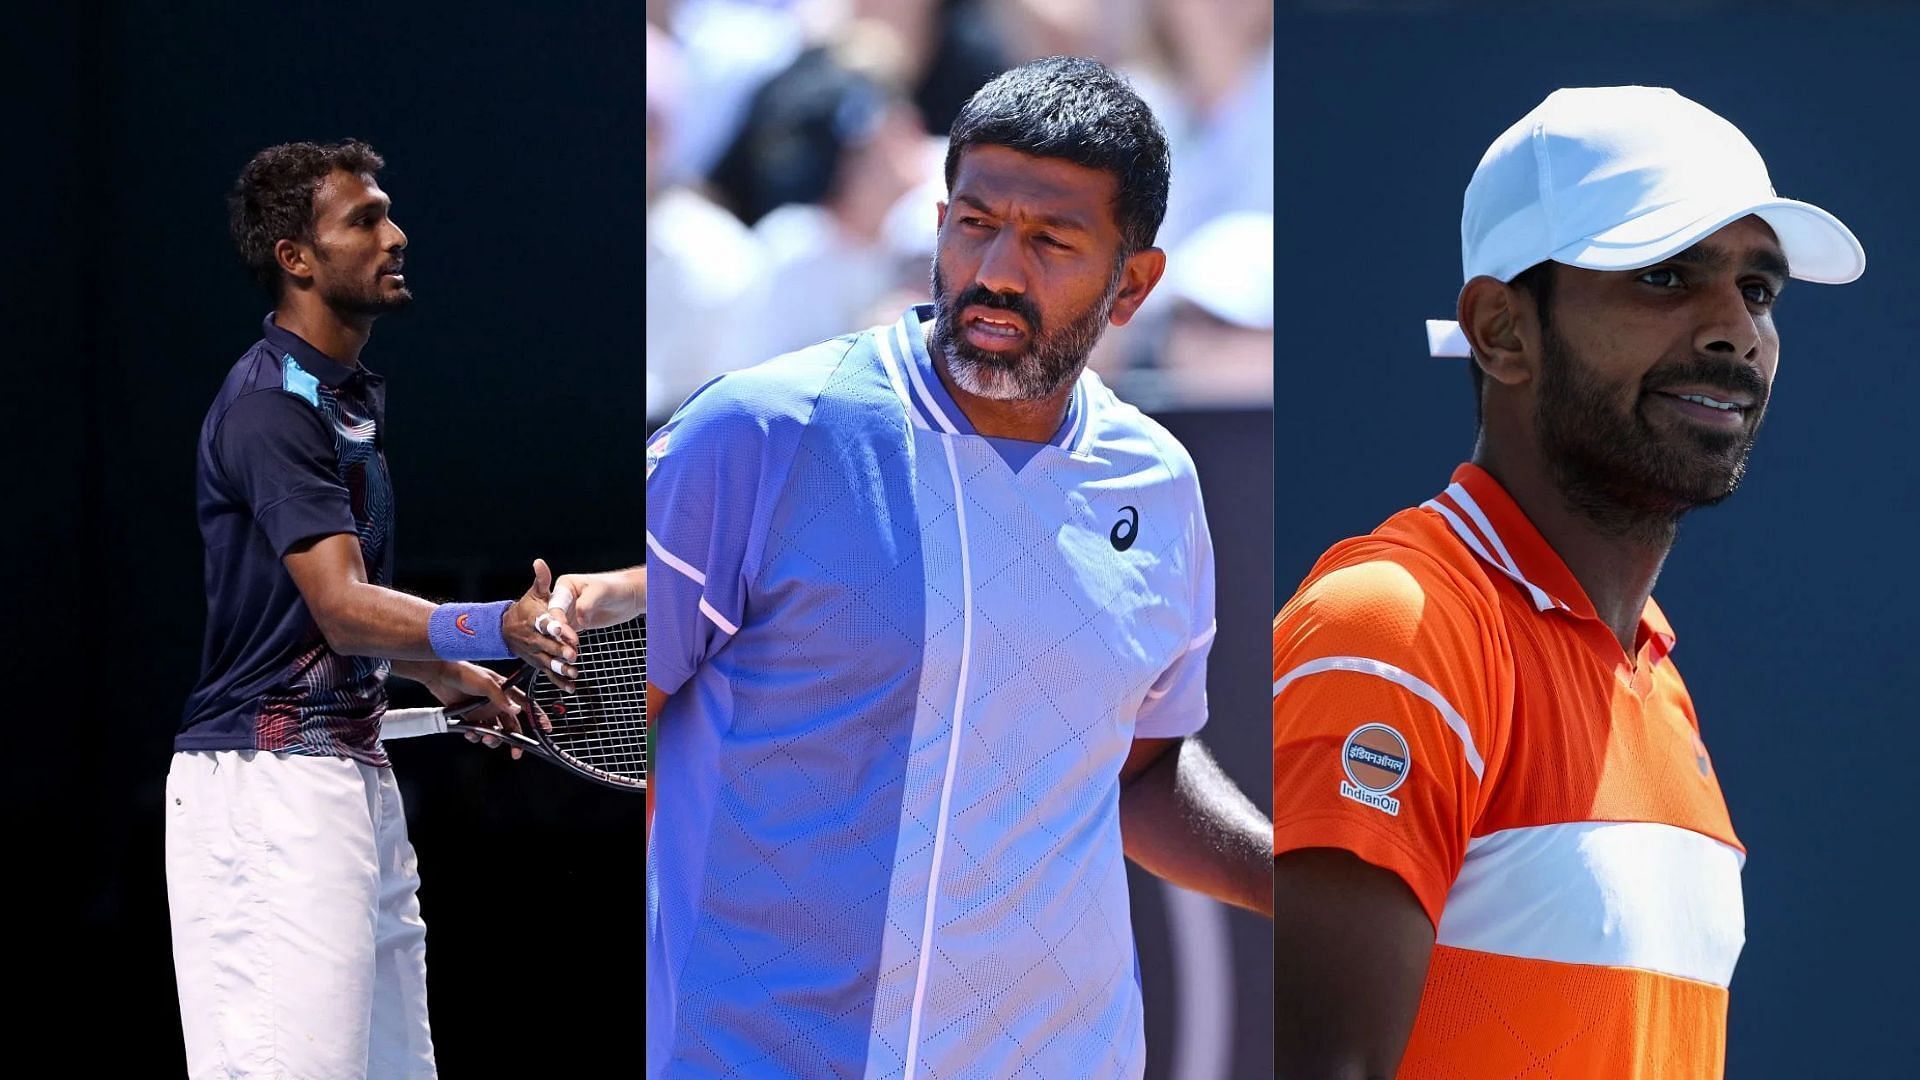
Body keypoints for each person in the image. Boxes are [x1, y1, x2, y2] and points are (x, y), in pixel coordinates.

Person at [645, 57, 1272, 1079]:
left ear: (1135, 284)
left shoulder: (1158, 482)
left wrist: (1297, 881)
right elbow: (619, 721)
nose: (997, 273)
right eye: (975, 223)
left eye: (1053, 242)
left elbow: (1141, 768)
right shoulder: (758, 434)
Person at [1271, 86, 1865, 1078]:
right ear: (1502, 330)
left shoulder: (1656, 676)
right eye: (1667, 276)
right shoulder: (1395, 625)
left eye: (1758, 291)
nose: (1735, 330)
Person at [168, 139, 580, 1080]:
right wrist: (497, 627)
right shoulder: (272, 407)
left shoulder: (338, 400)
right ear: (296, 258)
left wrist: (439, 669)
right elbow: (345, 610)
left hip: (348, 777)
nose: (396, 235)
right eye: (364, 220)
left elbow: (311, 622)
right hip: (269, 793)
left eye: (387, 213)